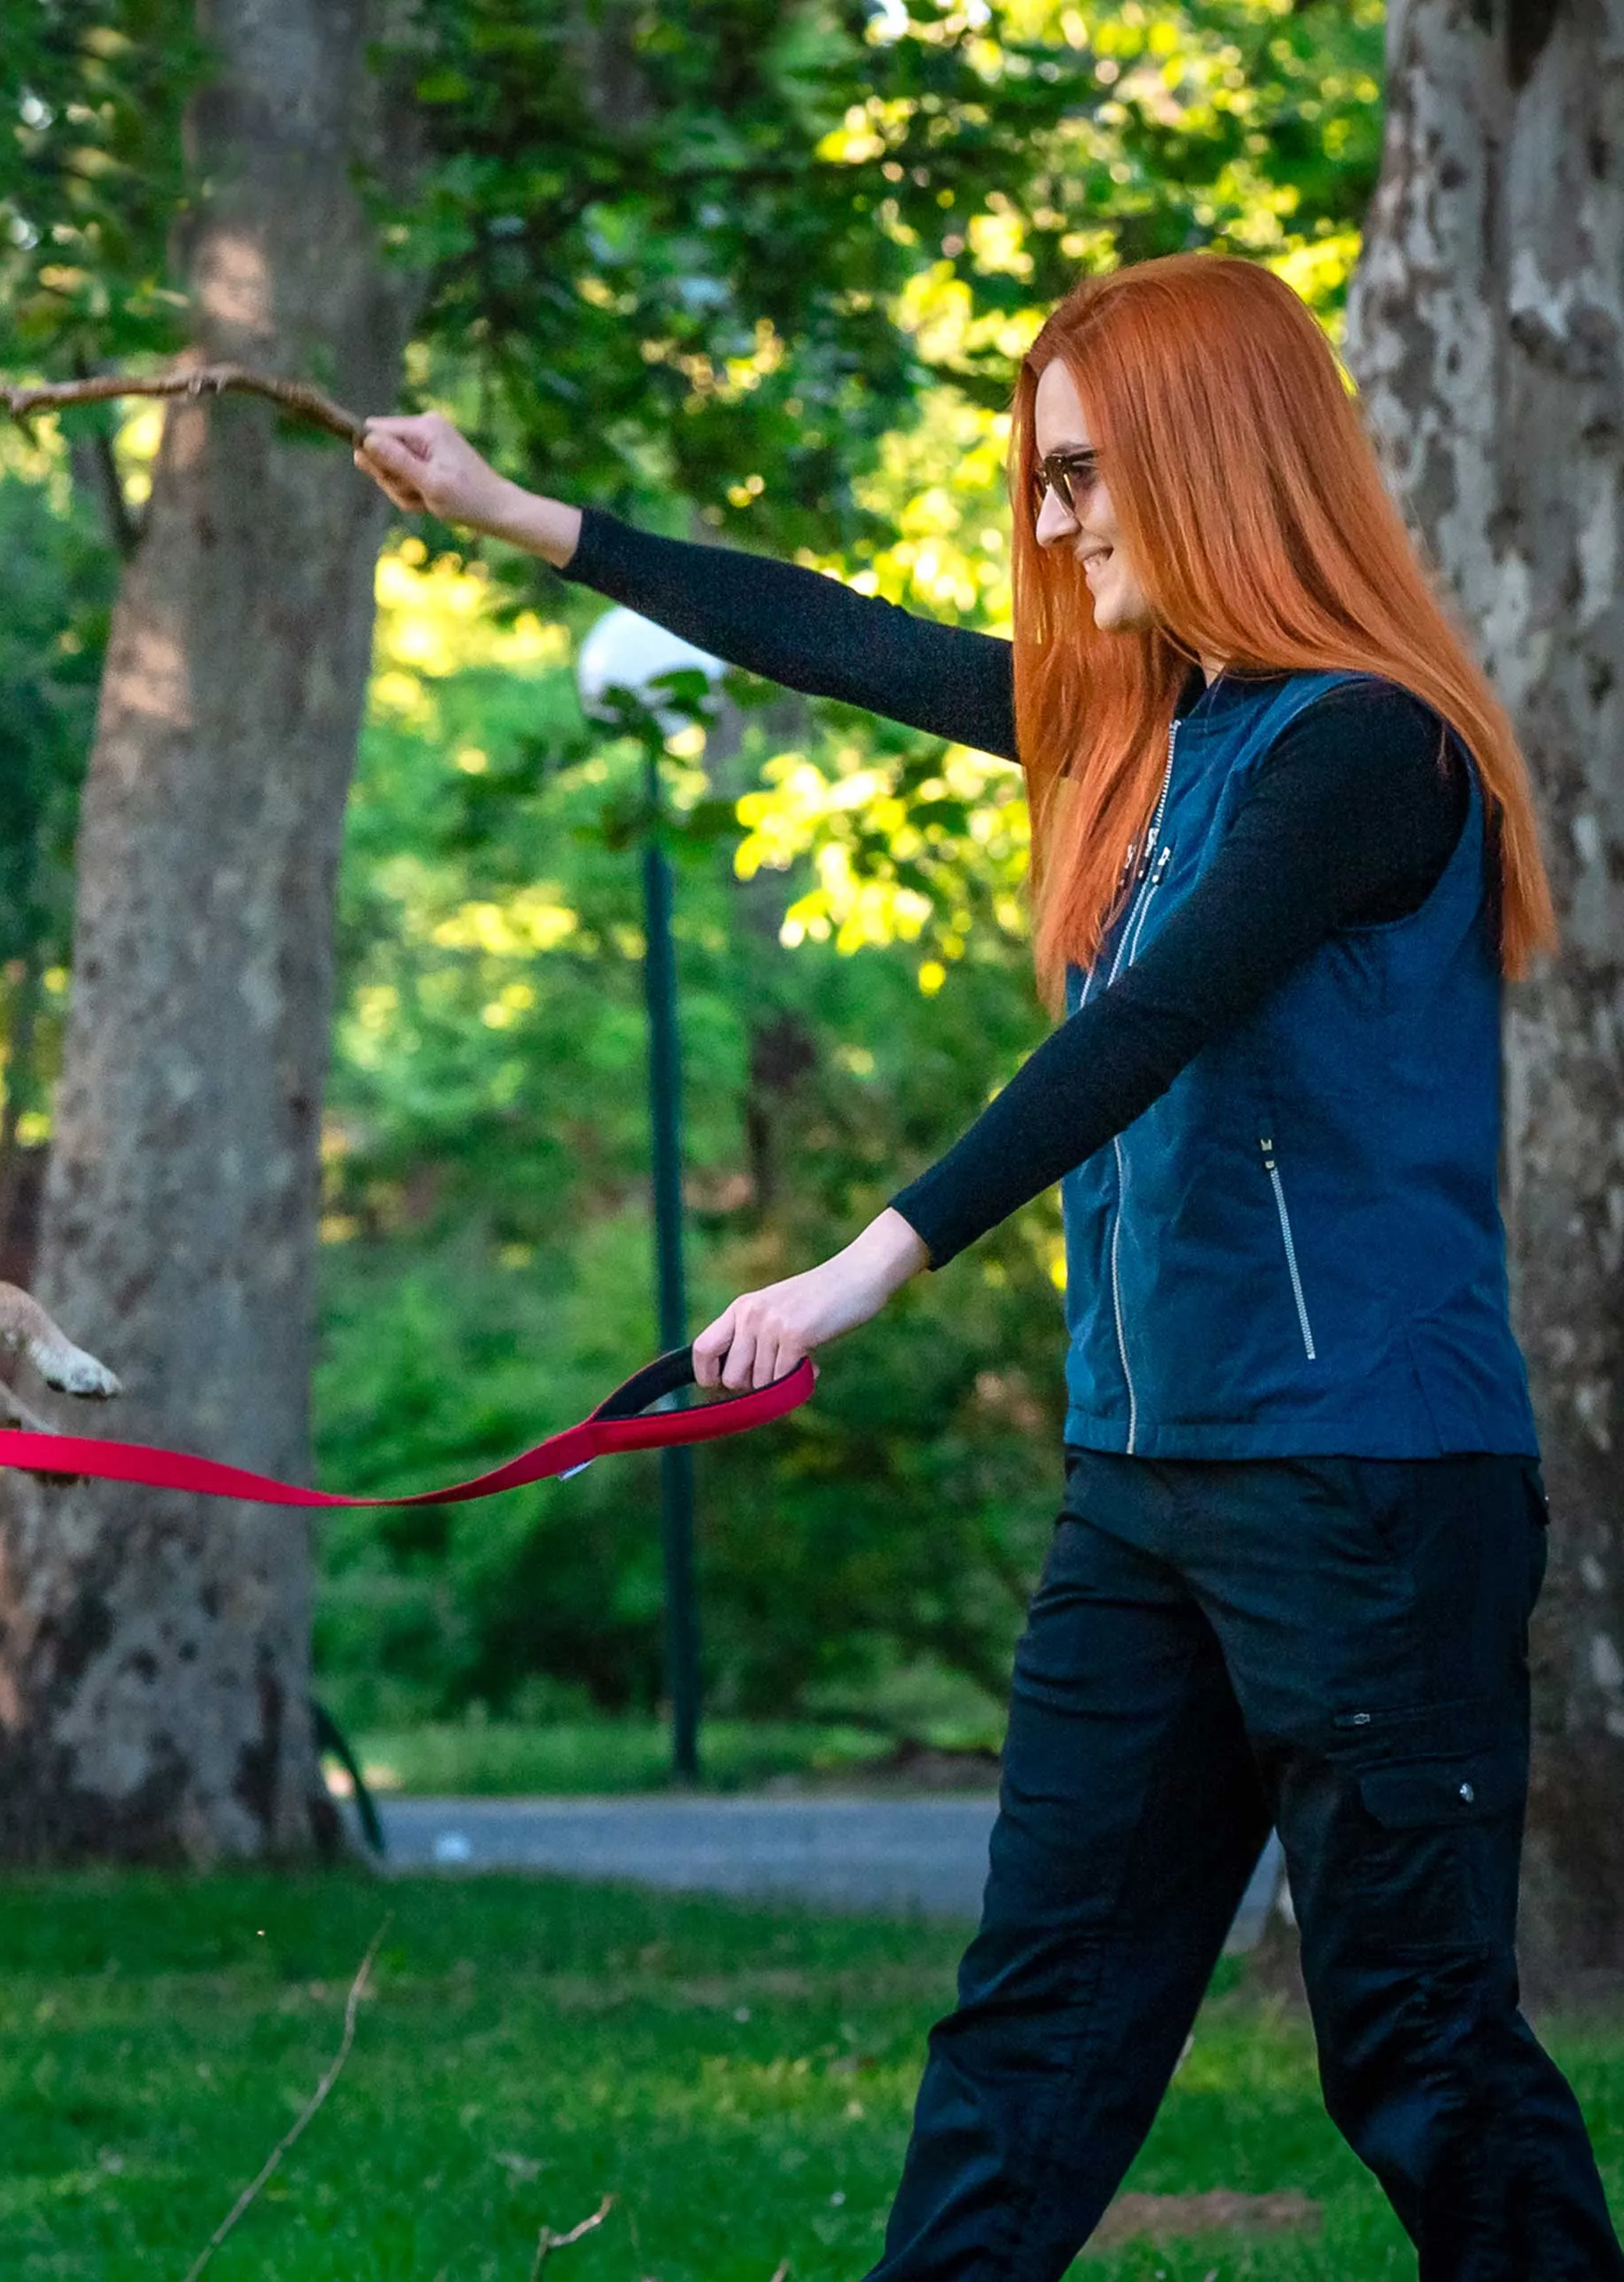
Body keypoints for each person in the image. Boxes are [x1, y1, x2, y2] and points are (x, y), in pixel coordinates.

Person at [356, 253, 1624, 2281]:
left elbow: (1148, 1028)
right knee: (1033, 2028)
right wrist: (524, 519)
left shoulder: (1362, 751)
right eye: (1039, 482)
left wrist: (867, 1263)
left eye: (1082, 474)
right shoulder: (1136, 738)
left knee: (1414, 2044)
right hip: (1141, 1484)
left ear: (1218, 455)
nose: (1053, 523)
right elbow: (831, 634)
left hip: (1358, 1487)